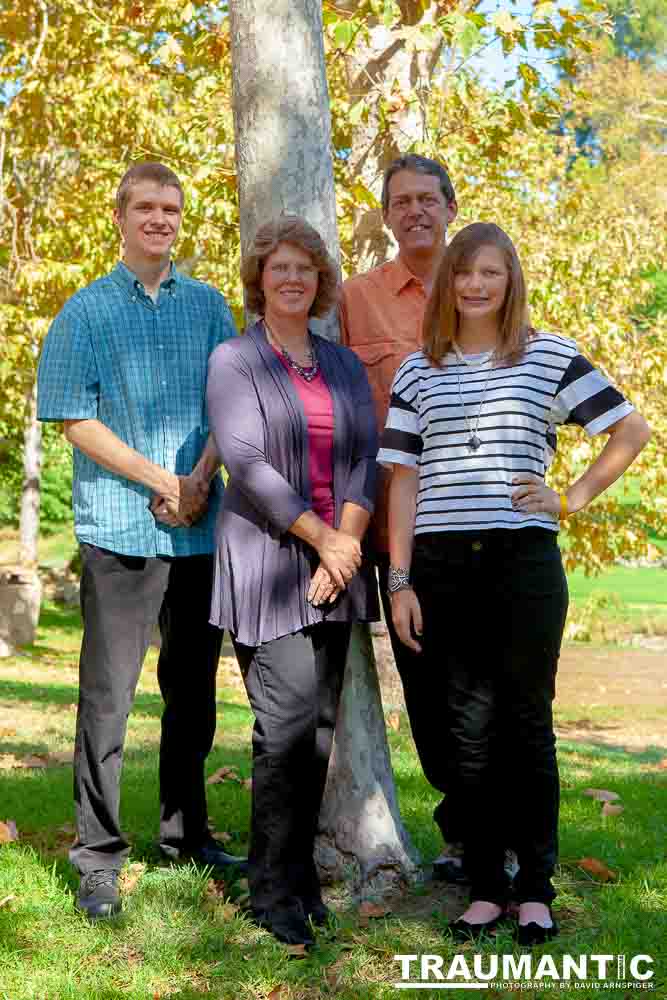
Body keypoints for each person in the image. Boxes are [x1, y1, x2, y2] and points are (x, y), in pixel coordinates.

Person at [378, 222, 651, 944]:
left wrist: (571, 498)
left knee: (526, 727)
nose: (474, 285)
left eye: (489, 273)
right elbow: (402, 481)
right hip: (440, 567)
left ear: (510, 281)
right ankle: (484, 887)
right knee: (466, 733)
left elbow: (630, 430)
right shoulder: (417, 370)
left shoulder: (549, 355)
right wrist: (400, 580)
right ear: (447, 283)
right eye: (463, 272)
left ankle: (534, 888)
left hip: (521, 563)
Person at [37, 161, 245, 921]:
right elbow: (72, 417)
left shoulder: (210, 307)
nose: (160, 219)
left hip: (200, 533)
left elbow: (233, 406)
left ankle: (185, 835)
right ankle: (97, 856)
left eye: (171, 209)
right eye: (146, 207)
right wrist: (164, 480)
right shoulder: (85, 311)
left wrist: (199, 479)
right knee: (107, 701)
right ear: (120, 217)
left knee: (192, 697)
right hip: (119, 531)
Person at [206, 216, 379, 947]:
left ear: (320, 282)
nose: (292, 279)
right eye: (280, 268)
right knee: (282, 730)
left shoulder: (341, 363)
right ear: (259, 278)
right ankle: (269, 890)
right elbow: (245, 463)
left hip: (338, 562)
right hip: (267, 562)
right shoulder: (235, 359)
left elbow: (366, 457)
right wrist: (324, 541)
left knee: (319, 732)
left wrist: (346, 547)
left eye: (305, 269)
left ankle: (300, 876)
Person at [341, 154, 471, 876]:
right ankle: (464, 831)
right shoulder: (356, 300)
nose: (415, 211)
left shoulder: (485, 287)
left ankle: (505, 832)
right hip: (392, 522)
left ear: (451, 207)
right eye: (401, 201)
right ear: (387, 215)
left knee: (484, 678)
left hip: (472, 516)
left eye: (427, 198)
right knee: (424, 678)